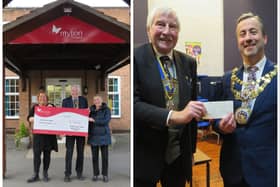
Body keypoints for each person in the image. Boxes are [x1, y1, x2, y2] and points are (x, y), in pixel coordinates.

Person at [134, 7, 206, 187]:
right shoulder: (136, 57)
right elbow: (134, 105)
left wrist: (191, 152)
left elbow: (192, 109)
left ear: (178, 33)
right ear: (148, 29)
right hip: (145, 157)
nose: (166, 31)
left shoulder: (189, 63)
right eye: (160, 24)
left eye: (172, 26)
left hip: (177, 157)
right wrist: (174, 116)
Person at [215, 12, 277, 187]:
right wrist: (221, 126)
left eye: (253, 32)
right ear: (238, 42)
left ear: (264, 38)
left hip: (268, 172)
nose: (248, 38)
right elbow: (216, 120)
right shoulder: (227, 79)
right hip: (232, 170)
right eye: (242, 34)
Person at [26, 92, 58, 183]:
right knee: (37, 156)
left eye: (44, 97)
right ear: (38, 99)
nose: (42, 99)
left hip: (49, 137)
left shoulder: (51, 106)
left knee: (47, 156)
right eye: (41, 97)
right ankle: (35, 174)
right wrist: (31, 119)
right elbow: (28, 117)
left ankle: (45, 173)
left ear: (47, 99)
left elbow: (58, 117)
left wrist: (52, 109)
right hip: (38, 136)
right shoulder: (35, 107)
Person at [62, 85, 88, 182]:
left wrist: (86, 130)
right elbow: (63, 116)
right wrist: (63, 130)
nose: (75, 92)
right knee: (69, 152)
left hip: (80, 131)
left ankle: (79, 172)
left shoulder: (84, 100)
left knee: (80, 152)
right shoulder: (65, 101)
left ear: (79, 92)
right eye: (73, 91)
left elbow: (86, 114)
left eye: (76, 91)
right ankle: (67, 174)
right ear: (71, 91)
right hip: (70, 131)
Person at [88, 95, 111, 182]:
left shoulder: (107, 110)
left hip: (104, 136)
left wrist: (93, 120)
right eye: (95, 100)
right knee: (94, 157)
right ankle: (95, 174)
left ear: (101, 100)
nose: (96, 101)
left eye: (98, 99)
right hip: (93, 136)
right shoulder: (90, 110)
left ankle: (105, 174)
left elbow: (106, 121)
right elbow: (84, 119)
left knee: (105, 157)